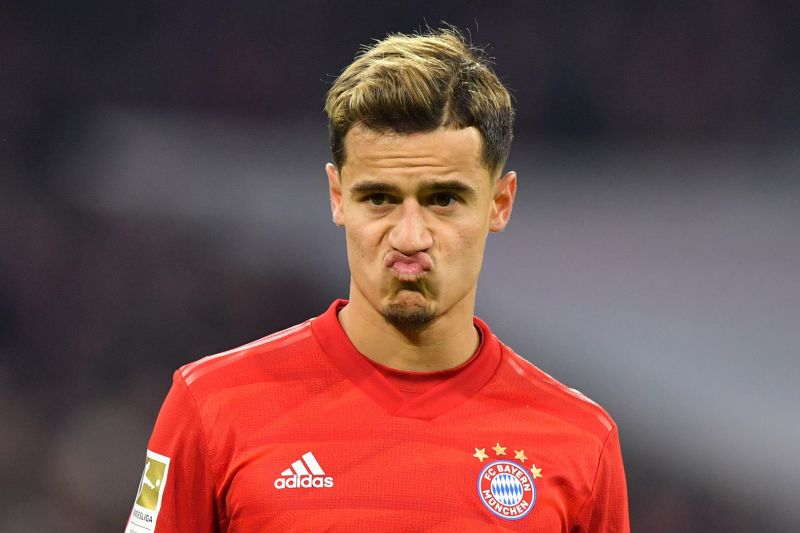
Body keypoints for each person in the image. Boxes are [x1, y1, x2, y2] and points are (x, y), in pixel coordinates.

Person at [126, 27, 629, 532]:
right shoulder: (210, 406)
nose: (410, 237)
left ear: (500, 203)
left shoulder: (581, 441)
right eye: (379, 198)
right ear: (337, 197)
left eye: (443, 199)